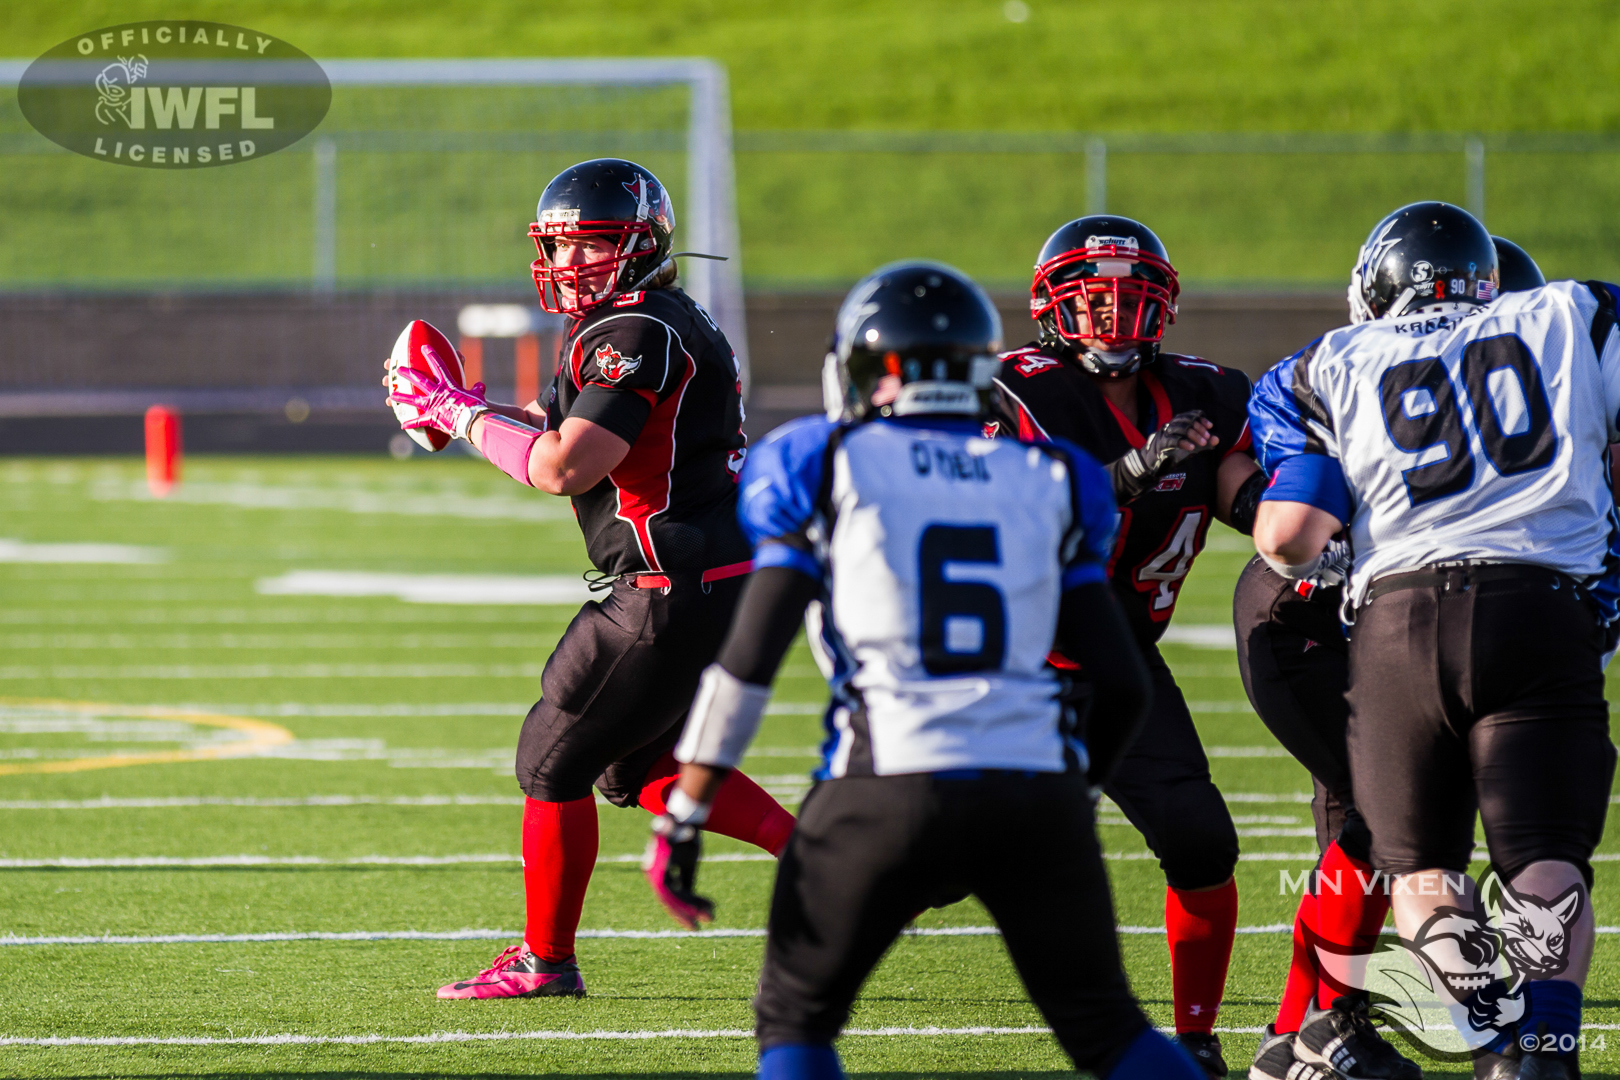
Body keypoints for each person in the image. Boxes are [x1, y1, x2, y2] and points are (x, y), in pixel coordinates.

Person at [639, 260, 1204, 1080]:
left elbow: (749, 661)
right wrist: (1070, 793)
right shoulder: (1051, 478)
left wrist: (687, 806)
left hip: (884, 778)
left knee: (795, 1020)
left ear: (863, 370)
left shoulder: (820, 461)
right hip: (1033, 784)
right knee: (1110, 1031)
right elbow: (1121, 682)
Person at [387, 157, 795, 999]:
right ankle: (817, 850)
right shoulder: (657, 319)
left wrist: (457, 413)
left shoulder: (632, 333)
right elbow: (555, 426)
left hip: (664, 589)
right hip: (714, 577)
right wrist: (467, 408)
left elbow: (567, 465)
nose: (566, 265)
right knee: (632, 761)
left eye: (591, 246)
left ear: (641, 243)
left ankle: (545, 962)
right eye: (559, 248)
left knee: (551, 760)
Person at [1250, 201, 1619, 1080]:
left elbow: (1289, 534)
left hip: (1399, 620)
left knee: (1419, 868)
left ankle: (1494, 1042)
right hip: (1541, 602)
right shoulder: (1574, 312)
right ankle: (1546, 1049)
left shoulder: (1327, 364)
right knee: (1546, 856)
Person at [986, 215, 1260, 1076]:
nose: (1112, 319)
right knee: (933, 854)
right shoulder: (1010, 389)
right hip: (1014, 661)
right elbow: (1019, 516)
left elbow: (1239, 491)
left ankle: (1197, 1036)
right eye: (1092, 301)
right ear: (1050, 308)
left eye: (1131, 302)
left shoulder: (1208, 392)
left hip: (1120, 662)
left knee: (1200, 837)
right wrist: (1134, 471)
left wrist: (1301, 532)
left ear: (1164, 308)